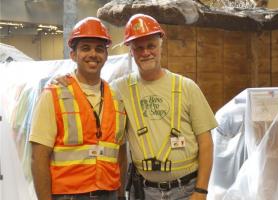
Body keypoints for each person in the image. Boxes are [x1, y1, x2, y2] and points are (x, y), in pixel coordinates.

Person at [110, 14, 218, 200]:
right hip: (144, 191)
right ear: (131, 51)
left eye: (151, 46)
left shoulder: (186, 87)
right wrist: (65, 80)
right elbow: (94, 91)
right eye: (139, 48)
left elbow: (206, 142)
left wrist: (201, 191)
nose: (146, 53)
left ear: (161, 45)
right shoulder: (120, 89)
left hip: (186, 190)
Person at [29, 17, 127, 200]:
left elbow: (120, 153)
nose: (93, 54)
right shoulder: (54, 94)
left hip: (110, 193)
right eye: (85, 48)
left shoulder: (116, 98)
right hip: (69, 195)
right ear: (73, 55)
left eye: (99, 49)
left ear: (106, 55)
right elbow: (38, 158)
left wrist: (121, 195)